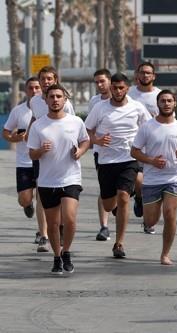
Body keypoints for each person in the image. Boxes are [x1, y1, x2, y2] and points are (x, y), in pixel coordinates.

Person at [85, 73, 151, 258]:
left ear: (127, 88)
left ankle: (119, 243)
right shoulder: (100, 108)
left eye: (121, 87)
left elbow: (149, 128)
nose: (118, 91)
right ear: (110, 88)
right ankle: (119, 206)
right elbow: (87, 130)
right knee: (108, 205)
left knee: (123, 197)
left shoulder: (137, 107)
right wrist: (97, 140)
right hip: (106, 161)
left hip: (129, 159)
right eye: (115, 87)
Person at [27, 84, 90, 274]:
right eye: (51, 97)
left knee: (69, 219)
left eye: (58, 96)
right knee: (53, 224)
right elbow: (32, 154)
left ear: (65, 100)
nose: (55, 100)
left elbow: (86, 140)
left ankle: (67, 252)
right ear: (45, 100)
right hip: (47, 181)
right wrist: (41, 150)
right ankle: (57, 256)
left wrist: (80, 151)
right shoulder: (38, 125)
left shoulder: (76, 121)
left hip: (71, 178)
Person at [131, 90, 177, 265]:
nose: (166, 103)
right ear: (158, 104)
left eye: (169, 101)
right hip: (151, 180)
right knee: (151, 221)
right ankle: (140, 200)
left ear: (175, 104)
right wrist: (151, 160)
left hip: (174, 179)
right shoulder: (148, 127)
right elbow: (134, 151)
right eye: (162, 101)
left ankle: (165, 254)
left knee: (170, 214)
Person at [2, 77, 49, 252]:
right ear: (26, 90)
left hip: (42, 160)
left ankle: (42, 233)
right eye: (31, 88)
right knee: (25, 199)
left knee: (42, 198)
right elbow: (5, 133)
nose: (35, 90)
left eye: (37, 87)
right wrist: (14, 138)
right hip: (23, 162)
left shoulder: (48, 108)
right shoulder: (18, 111)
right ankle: (27, 205)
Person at [127, 62, 162, 227]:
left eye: (148, 73)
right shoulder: (129, 94)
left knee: (154, 186)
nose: (145, 76)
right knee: (140, 180)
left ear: (153, 76)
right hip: (134, 146)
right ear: (137, 75)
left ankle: (149, 222)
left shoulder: (160, 95)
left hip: (155, 147)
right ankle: (139, 198)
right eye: (142, 73)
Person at [88, 69, 112, 241]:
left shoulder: (126, 101)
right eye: (96, 82)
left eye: (102, 81)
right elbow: (89, 127)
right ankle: (104, 227)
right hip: (101, 152)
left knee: (123, 189)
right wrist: (97, 141)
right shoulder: (94, 102)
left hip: (125, 154)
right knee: (104, 188)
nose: (99, 85)